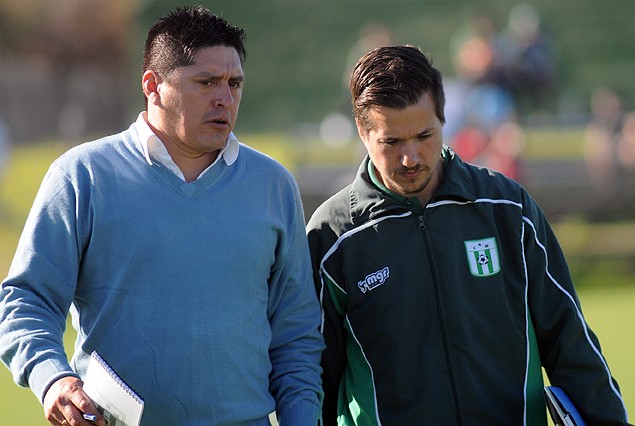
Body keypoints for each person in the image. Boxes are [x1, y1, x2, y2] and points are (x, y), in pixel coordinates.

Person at [0, 7, 324, 426]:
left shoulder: (273, 185)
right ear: (153, 86)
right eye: (206, 82)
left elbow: (296, 334)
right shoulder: (82, 176)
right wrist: (53, 380)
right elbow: (26, 301)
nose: (225, 97)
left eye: (234, 83)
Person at [306, 45, 628, 425]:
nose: (410, 158)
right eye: (392, 142)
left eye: (424, 135)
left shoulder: (508, 209)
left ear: (444, 118)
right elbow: (312, 379)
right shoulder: (333, 236)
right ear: (363, 131)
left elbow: (569, 340)